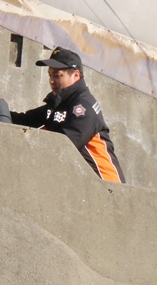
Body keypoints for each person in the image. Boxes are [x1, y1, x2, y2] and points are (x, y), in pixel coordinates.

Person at [7, 47, 125, 183]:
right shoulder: (58, 105)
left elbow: (62, 148)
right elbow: (23, 120)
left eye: (57, 75)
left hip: (106, 186)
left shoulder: (84, 107)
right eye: (50, 75)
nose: (52, 81)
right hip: (82, 186)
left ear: (76, 75)